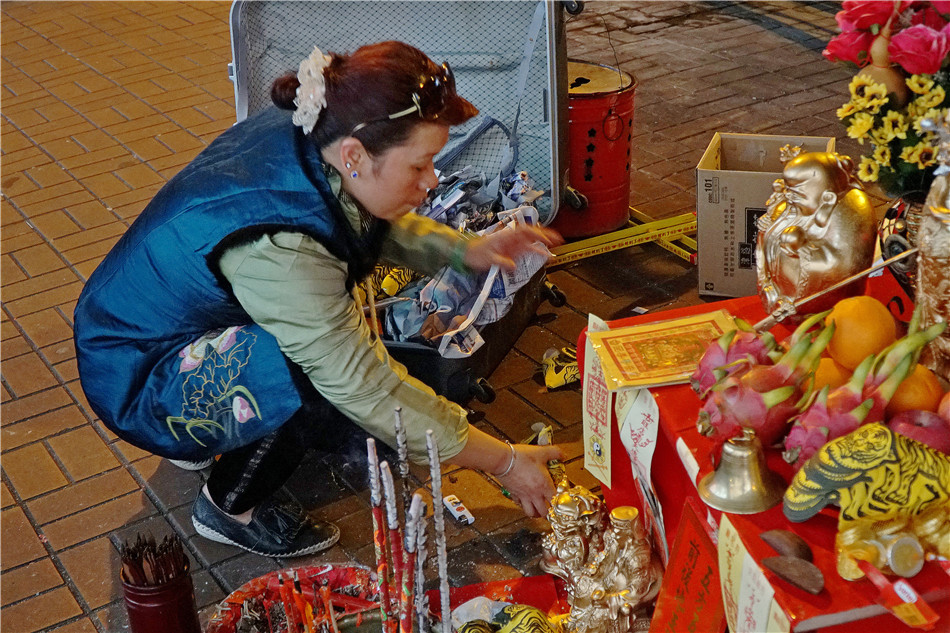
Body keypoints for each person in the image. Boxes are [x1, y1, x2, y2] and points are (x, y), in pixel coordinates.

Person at [73, 41, 564, 558]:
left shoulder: (318, 128)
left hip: (142, 320)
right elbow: (364, 385)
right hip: (132, 372)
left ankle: (202, 439)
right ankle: (228, 507)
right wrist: (503, 461)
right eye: (419, 166)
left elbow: (363, 219)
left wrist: (467, 252)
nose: (432, 181)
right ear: (355, 155)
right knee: (307, 372)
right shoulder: (285, 254)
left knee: (320, 358)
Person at [755, 151, 876, 319]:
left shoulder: (852, 210)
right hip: (779, 294)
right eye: (787, 190)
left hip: (830, 307)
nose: (788, 197)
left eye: (796, 193)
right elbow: (774, 228)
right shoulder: (793, 205)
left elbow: (844, 266)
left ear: (827, 198)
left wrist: (802, 249)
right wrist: (769, 228)